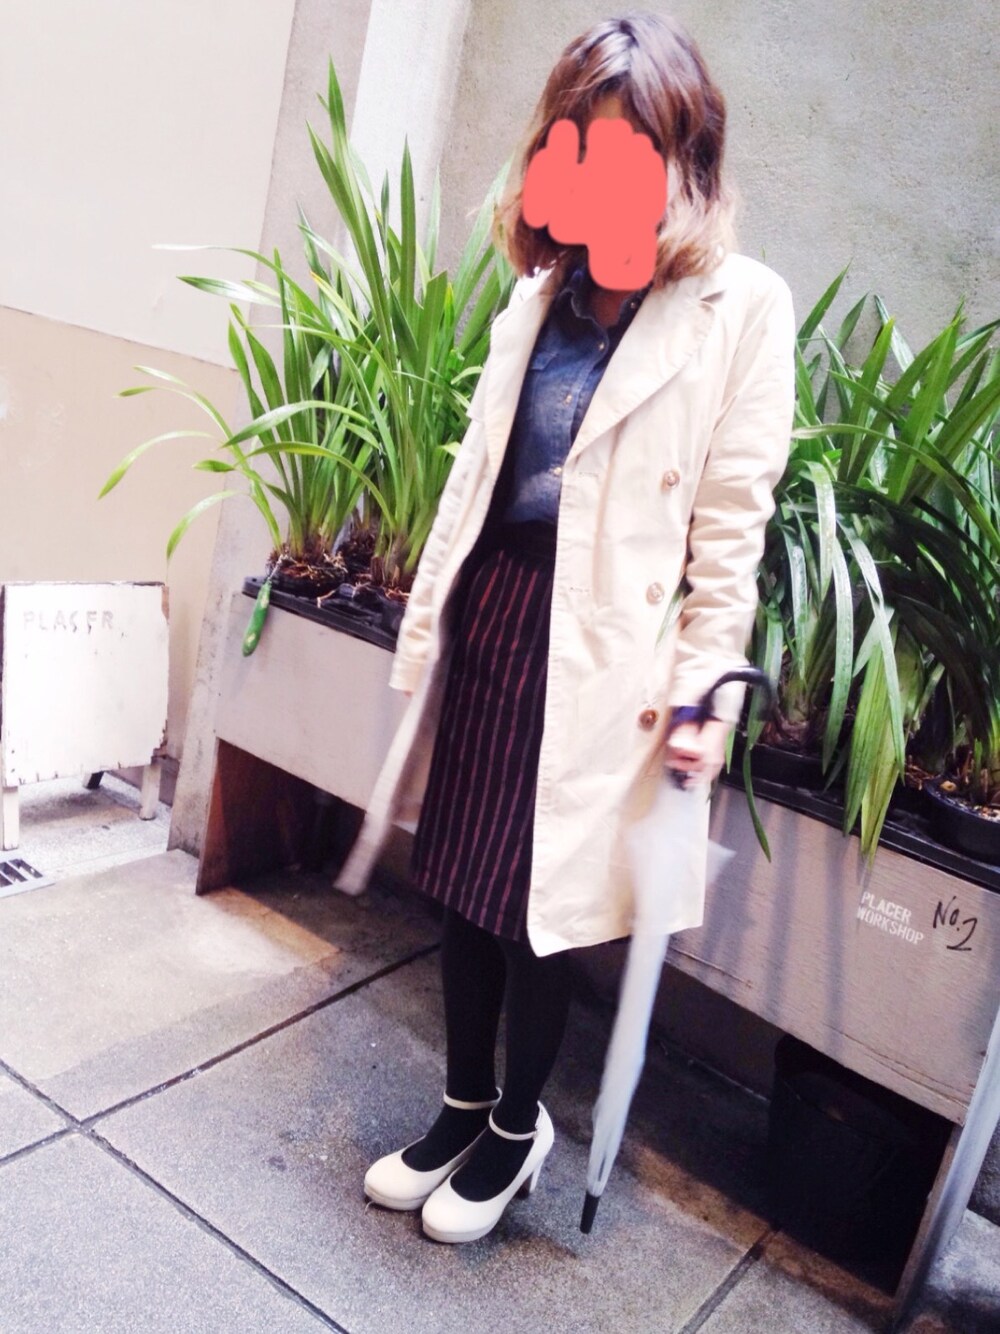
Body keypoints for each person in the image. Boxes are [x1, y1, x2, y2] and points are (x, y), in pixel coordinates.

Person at [337, 12, 795, 1244]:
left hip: (602, 658)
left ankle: (515, 1125)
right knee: (459, 884)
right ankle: (459, 1104)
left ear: (685, 158)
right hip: (494, 621)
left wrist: (705, 693)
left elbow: (730, 525)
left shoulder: (741, 309)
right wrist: (428, 617)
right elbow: (478, 475)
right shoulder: (541, 291)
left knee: (539, 912)